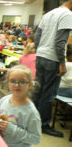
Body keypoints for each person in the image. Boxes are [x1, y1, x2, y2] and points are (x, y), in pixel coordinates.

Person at [33, 0, 72, 137]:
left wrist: (40, 52)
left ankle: (33, 120)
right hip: (53, 59)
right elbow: (60, 42)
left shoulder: (49, 13)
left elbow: (37, 37)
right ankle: (43, 124)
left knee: (38, 91)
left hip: (41, 56)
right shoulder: (67, 15)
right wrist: (62, 63)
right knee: (48, 95)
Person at [0, 64, 41, 147]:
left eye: (22, 82)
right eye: (12, 81)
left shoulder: (31, 112)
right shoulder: (4, 100)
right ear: (8, 83)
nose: (17, 85)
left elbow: (35, 138)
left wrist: (10, 128)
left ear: (30, 85)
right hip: (0, 144)